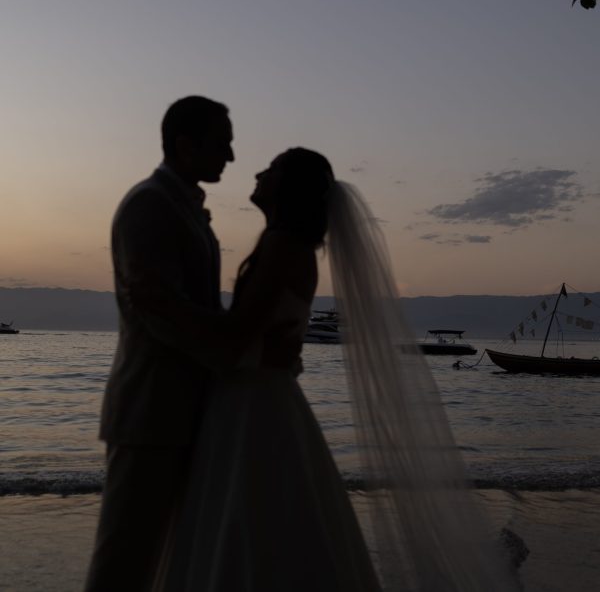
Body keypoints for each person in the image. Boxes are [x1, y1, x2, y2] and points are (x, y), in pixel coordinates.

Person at [153, 149, 519, 592]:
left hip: (254, 403)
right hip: (269, 395)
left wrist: (163, 307)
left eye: (271, 169)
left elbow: (238, 334)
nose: (257, 172)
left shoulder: (281, 246)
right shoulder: (298, 249)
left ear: (288, 189)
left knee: (250, 519)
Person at [84, 95, 236, 592]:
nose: (231, 157)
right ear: (184, 145)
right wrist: (233, 349)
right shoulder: (149, 204)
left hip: (185, 413)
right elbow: (157, 311)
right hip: (150, 413)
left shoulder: (182, 205)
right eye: (222, 144)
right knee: (123, 565)